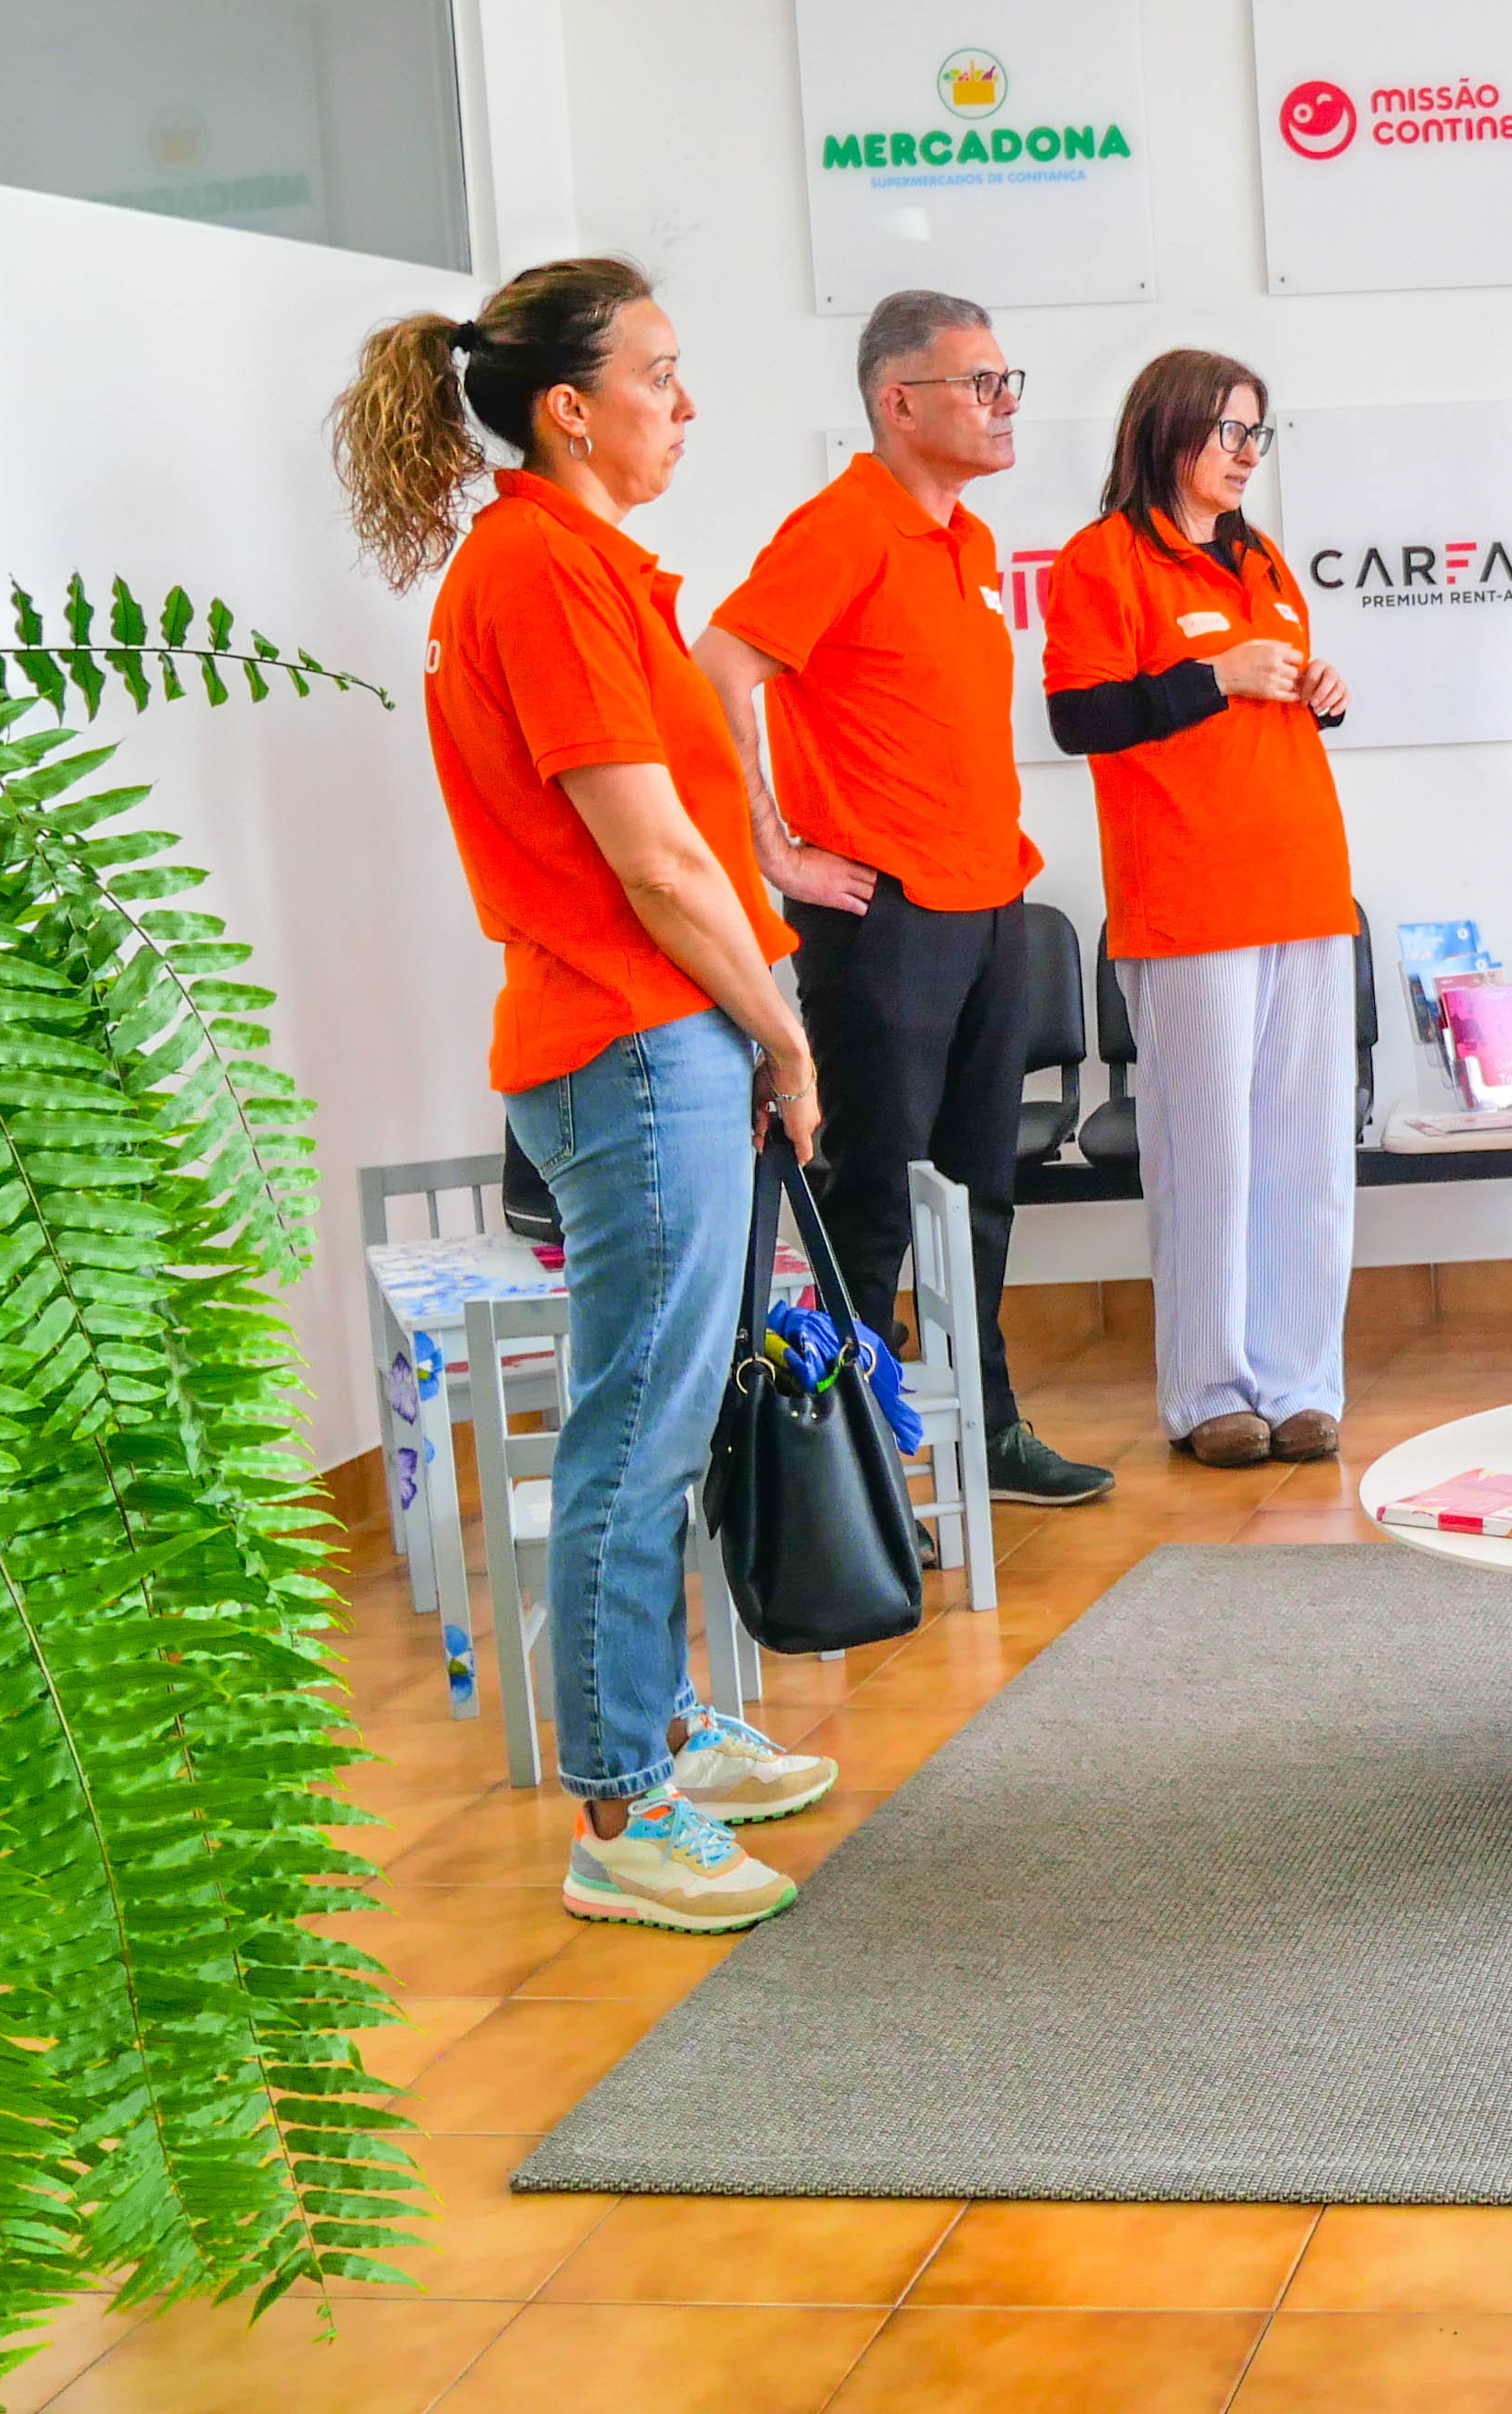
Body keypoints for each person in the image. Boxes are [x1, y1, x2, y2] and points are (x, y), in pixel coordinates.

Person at [330, 258, 842, 1933]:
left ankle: (662, 1728)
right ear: (568, 408)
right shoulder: (543, 575)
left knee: (655, 1413)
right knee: (636, 1425)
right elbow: (659, 862)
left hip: (651, 1035)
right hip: (634, 1039)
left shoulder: (572, 562)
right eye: (659, 375)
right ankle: (619, 1807)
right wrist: (780, 1035)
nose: (686, 406)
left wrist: (750, 1025)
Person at [694, 289, 1112, 1515]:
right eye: (981, 383)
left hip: (988, 907)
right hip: (885, 922)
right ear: (899, 401)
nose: (1005, 403)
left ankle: (989, 1429)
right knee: (872, 1198)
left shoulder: (968, 542)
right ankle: (855, 1474)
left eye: (1007, 380)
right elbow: (718, 666)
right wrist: (775, 851)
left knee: (981, 1195)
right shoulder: (843, 526)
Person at [1043, 352, 1357, 1471]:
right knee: (1206, 1156)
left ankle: (1300, 1380)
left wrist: (1318, 694)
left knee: (1306, 1156)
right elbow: (1079, 717)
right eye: (1230, 430)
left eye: (1257, 433)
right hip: (1188, 902)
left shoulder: (1262, 557)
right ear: (1168, 428)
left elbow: (1268, 705)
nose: (1246, 454)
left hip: (1305, 888)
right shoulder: (1101, 560)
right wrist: (1213, 677)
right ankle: (1209, 1391)